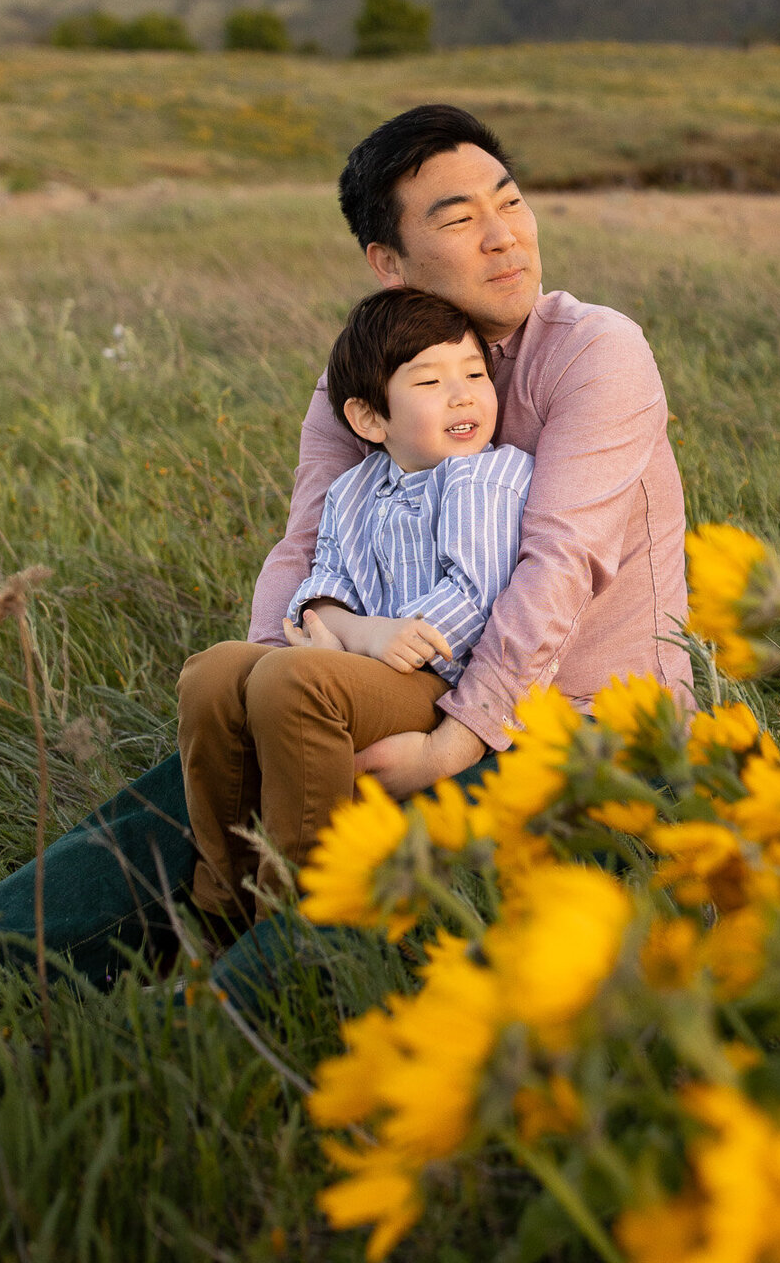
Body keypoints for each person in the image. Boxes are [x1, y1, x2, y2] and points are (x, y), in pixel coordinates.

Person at [0, 103, 690, 1046]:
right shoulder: (363, 378)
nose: (505, 235)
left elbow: (559, 562)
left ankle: (112, 1061)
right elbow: (303, 548)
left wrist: (451, 746)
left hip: (582, 737)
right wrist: (275, 692)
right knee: (190, 787)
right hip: (399, 690)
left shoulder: (595, 352)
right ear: (389, 262)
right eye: (460, 220)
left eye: (510, 202)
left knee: (359, 884)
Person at [178, 285, 532, 919]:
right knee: (214, 671)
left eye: (476, 373)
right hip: (367, 663)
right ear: (371, 419)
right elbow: (323, 589)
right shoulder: (352, 490)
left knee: (295, 678)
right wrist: (354, 632)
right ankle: (218, 909)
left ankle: (297, 924)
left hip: (442, 680)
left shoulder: (487, 476)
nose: (463, 395)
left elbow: (477, 598)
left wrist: (361, 642)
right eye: (429, 382)